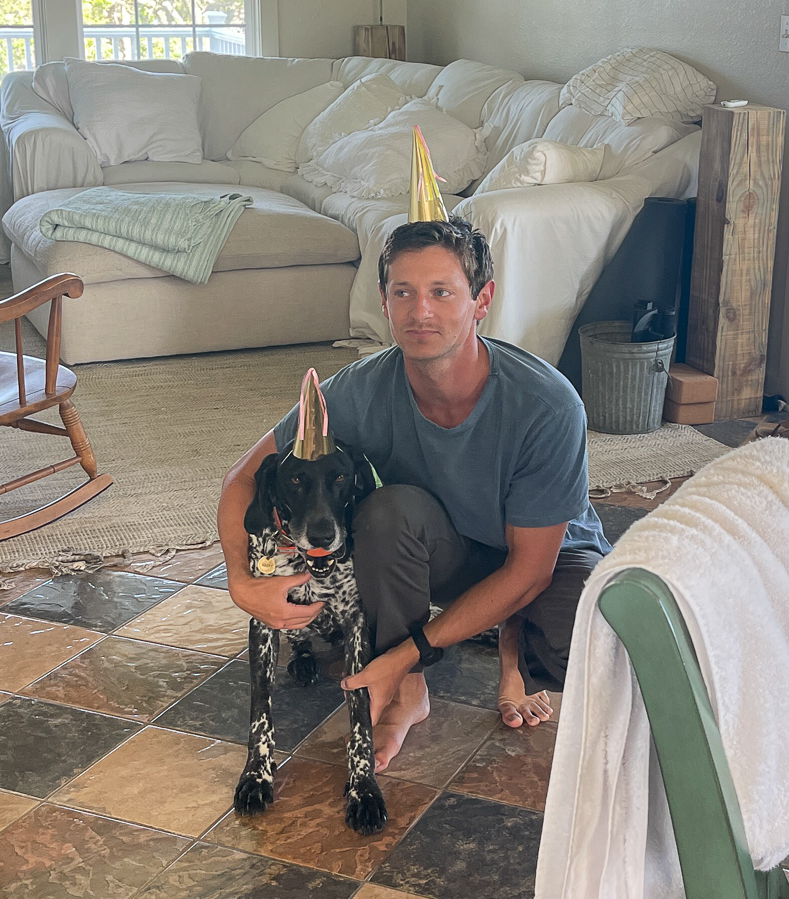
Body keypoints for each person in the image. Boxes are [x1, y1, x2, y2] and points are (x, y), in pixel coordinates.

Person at [217, 131, 611, 773]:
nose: (419, 311)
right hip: (442, 552)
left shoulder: (547, 404)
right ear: (384, 302)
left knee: (590, 645)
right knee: (387, 511)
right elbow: (243, 479)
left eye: (442, 292)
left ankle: (511, 647)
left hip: (544, 558)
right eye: (403, 292)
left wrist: (400, 652)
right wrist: (241, 582)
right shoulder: (359, 388)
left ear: (482, 301)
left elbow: (529, 570)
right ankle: (409, 694)